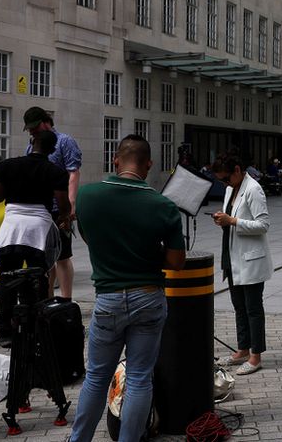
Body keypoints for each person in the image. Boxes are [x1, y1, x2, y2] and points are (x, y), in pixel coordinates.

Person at [69, 135, 186, 442]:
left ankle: (79, 439)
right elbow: (176, 262)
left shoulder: (87, 196)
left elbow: (92, 237)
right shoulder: (164, 206)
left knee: (96, 376)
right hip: (148, 297)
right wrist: (148, 250)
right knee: (138, 378)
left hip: (107, 299)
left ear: (115, 161)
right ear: (148, 165)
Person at [0, 130, 70, 348]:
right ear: (53, 150)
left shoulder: (7, 166)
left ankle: (5, 331)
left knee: (7, 278)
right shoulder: (55, 171)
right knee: (38, 278)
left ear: (31, 141)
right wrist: (65, 219)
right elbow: (63, 206)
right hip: (38, 229)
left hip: (11, 226)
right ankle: (36, 325)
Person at [212, 153, 273, 375]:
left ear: (237, 170)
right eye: (221, 181)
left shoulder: (254, 189)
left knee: (253, 309)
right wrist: (223, 220)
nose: (224, 183)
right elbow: (232, 219)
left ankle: (256, 356)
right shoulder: (231, 189)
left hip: (250, 259)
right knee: (239, 307)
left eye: (226, 178)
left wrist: (234, 221)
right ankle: (243, 349)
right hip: (232, 257)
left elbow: (263, 224)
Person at [23, 106, 82, 300]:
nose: (31, 131)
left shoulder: (65, 141)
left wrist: (71, 203)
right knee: (44, 257)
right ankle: (46, 300)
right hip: (40, 209)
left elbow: (73, 173)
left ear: (45, 122)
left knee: (62, 256)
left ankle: (66, 300)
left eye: (34, 127)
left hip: (60, 207)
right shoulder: (31, 146)